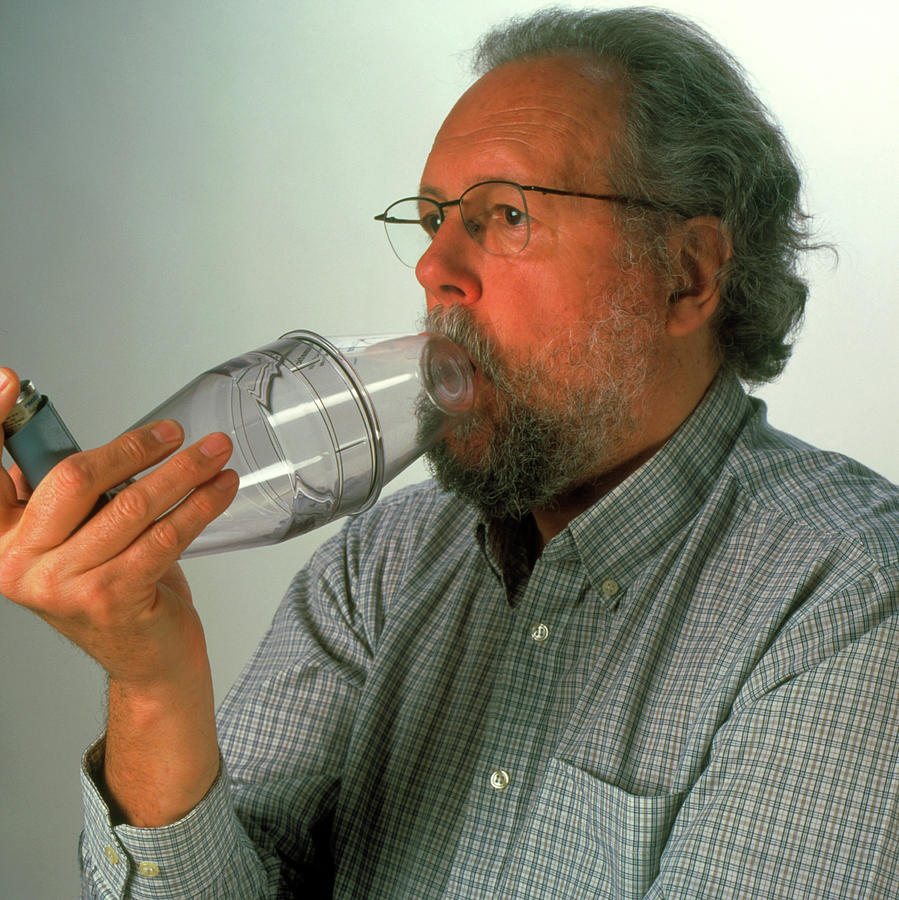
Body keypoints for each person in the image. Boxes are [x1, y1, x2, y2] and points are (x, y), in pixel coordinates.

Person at [1, 7, 897, 897]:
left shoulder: (847, 592)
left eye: (505, 215)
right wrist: (153, 684)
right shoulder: (383, 560)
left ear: (686, 273)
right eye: (433, 220)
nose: (434, 269)